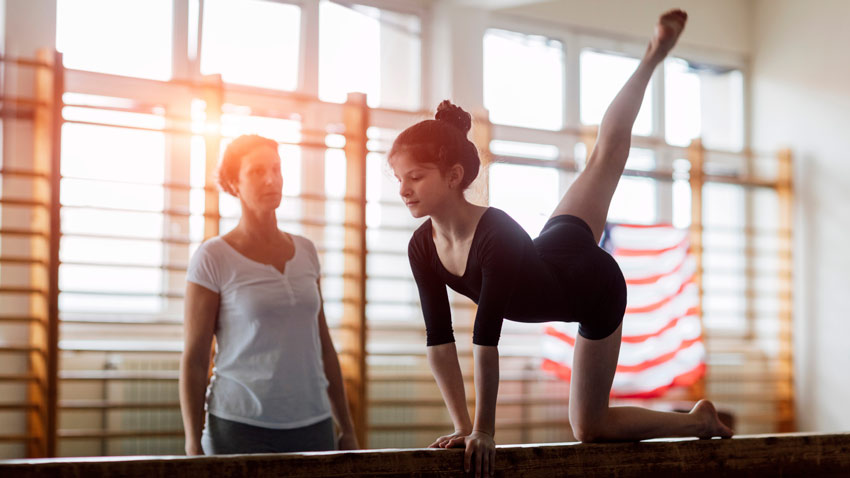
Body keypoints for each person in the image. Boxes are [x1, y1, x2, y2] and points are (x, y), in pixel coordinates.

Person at [389, 9, 733, 478]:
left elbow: (486, 340)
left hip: (590, 285)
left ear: (452, 178)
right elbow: (440, 340)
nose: (403, 189)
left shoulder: (496, 233)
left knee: (587, 427)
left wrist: (485, 430)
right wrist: (462, 425)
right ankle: (699, 420)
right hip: (558, 244)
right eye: (398, 179)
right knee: (604, 155)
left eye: (415, 177)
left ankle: (653, 56)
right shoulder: (422, 247)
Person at [179, 134, 358, 455]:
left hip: (314, 424)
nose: (271, 179)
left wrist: (347, 426)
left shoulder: (306, 251)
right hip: (239, 426)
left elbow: (324, 346)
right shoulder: (213, 256)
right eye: (257, 171)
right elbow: (194, 359)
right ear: (234, 183)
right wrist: (193, 442)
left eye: (276, 169)